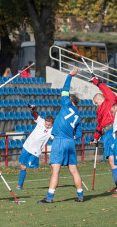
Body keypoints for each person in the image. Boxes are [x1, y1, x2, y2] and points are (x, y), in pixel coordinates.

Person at [38, 67, 84, 203]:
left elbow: (65, 89)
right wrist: (75, 137)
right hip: (70, 142)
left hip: (60, 141)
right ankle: (80, 196)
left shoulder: (66, 104)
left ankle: (49, 198)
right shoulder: (78, 117)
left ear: (72, 101)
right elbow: (80, 133)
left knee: (55, 170)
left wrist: (70, 75)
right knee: (74, 170)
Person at [89, 74, 117, 192]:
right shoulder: (99, 112)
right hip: (106, 134)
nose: (96, 105)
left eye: (96, 103)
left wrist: (96, 81)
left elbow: (106, 90)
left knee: (116, 158)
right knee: (111, 159)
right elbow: (99, 126)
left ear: (100, 99)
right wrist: (95, 138)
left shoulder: (110, 101)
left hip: (113, 130)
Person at [14, 106, 54, 190]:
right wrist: (33, 109)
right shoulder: (41, 121)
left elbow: (55, 139)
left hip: (35, 151)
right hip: (27, 146)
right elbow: (35, 115)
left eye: (49, 125)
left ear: (52, 124)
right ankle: (19, 186)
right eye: (46, 124)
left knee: (32, 166)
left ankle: (52, 182)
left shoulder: (52, 130)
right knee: (23, 166)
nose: (47, 126)